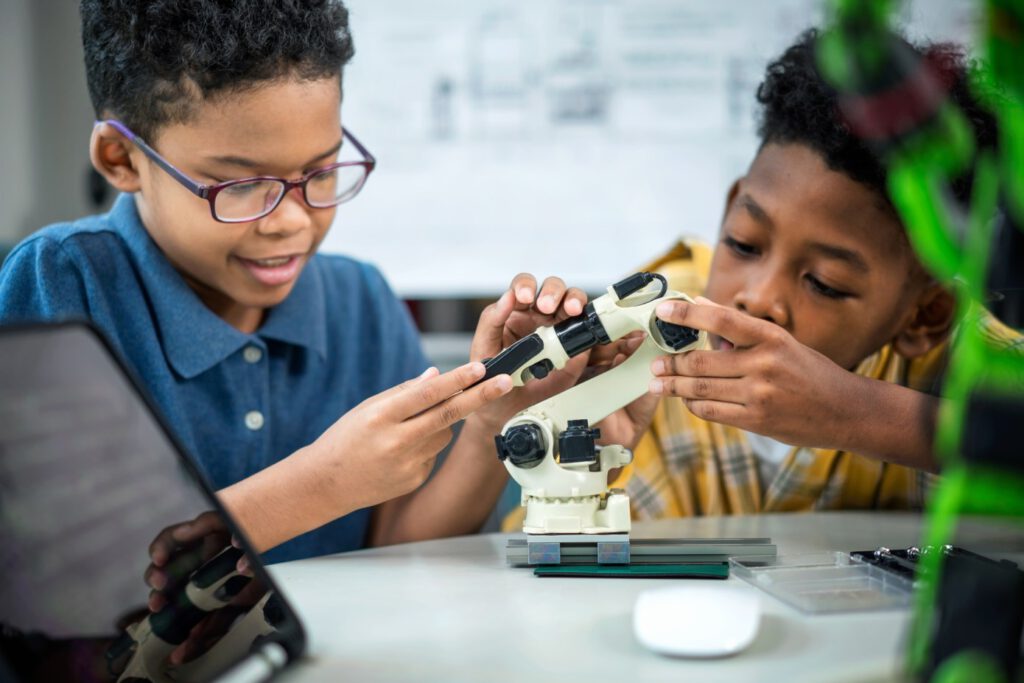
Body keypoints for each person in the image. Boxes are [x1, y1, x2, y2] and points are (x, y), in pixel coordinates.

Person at [0, 0, 605, 572]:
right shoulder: (61, 284)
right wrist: (321, 485)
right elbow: (66, 578)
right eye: (238, 185)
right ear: (121, 159)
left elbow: (401, 547)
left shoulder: (361, 302)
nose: (291, 220)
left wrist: (491, 422)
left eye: (321, 169)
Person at [504, 28, 1018, 529]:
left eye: (824, 282)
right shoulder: (647, 334)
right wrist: (582, 480)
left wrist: (858, 415)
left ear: (925, 315)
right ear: (729, 213)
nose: (758, 297)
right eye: (744, 244)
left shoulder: (975, 369)